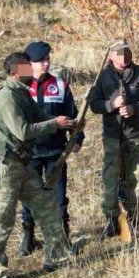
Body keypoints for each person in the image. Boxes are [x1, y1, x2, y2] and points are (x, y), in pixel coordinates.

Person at [0, 52, 75, 278]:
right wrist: (54, 124)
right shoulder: (5, 98)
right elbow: (22, 131)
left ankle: (57, 257)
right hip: (6, 166)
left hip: (22, 164)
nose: (32, 70)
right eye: (26, 67)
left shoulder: (22, 93)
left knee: (47, 205)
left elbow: (40, 116)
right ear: (15, 72)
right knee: (0, 221)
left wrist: (65, 122)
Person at [15, 40, 83, 254]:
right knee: (29, 197)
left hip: (56, 152)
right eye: (40, 61)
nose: (46, 64)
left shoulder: (60, 85)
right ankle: (28, 237)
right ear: (29, 63)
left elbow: (73, 115)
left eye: (47, 59)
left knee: (59, 197)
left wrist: (77, 138)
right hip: (29, 153)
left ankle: (63, 239)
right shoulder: (21, 87)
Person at [88, 39, 139, 237]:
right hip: (112, 136)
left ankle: (134, 218)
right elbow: (94, 104)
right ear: (111, 56)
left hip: (137, 134)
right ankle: (111, 220)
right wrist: (111, 104)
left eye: (127, 52)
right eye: (120, 53)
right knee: (111, 178)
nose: (125, 57)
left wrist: (135, 108)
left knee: (136, 177)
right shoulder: (102, 76)